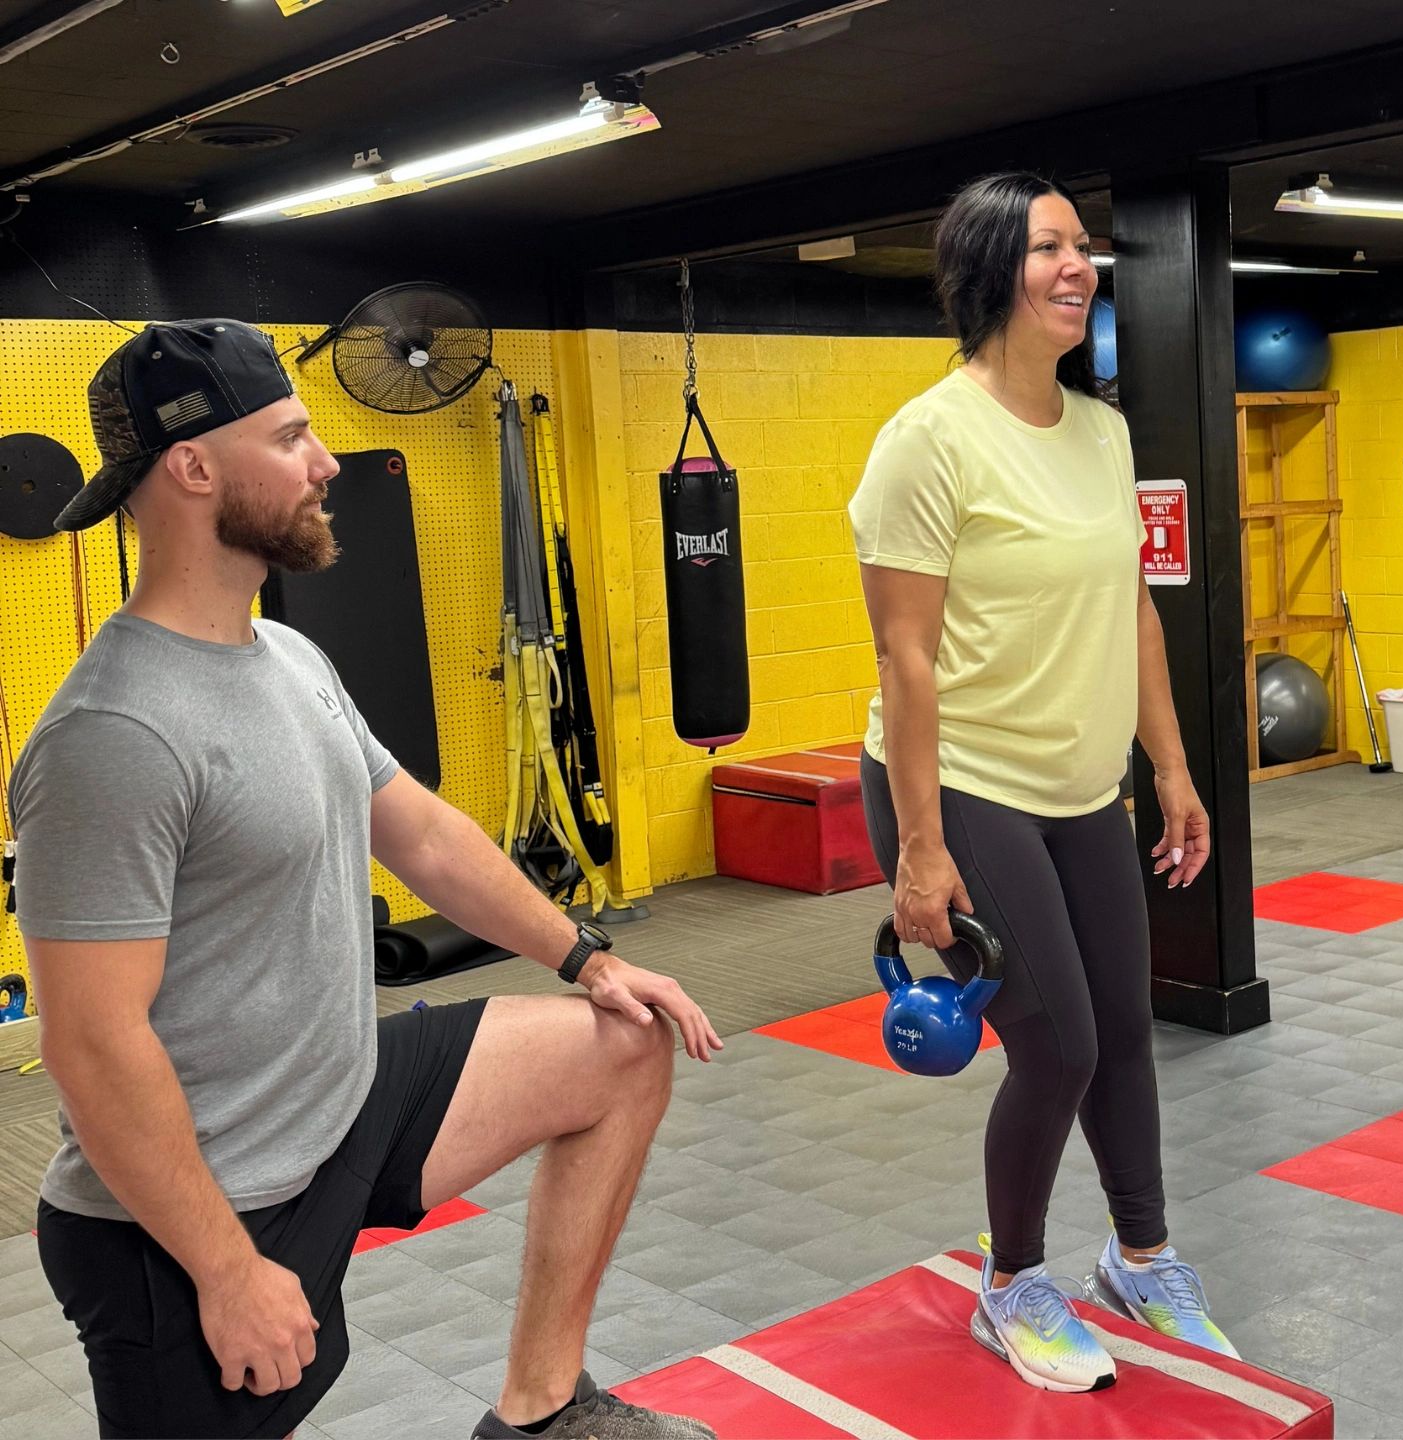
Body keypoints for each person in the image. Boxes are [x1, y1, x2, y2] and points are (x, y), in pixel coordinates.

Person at [9, 319, 724, 1440]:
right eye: (292, 437)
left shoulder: (289, 657)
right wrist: (228, 1269)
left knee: (623, 1047)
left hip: (341, 1103)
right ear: (195, 468)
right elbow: (93, 1044)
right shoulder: (113, 733)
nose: (326, 461)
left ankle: (541, 1414)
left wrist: (589, 959)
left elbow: (426, 837)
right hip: (195, 1211)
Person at [848, 172, 1236, 1394]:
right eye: (1051, 248)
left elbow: (1131, 612)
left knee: (1125, 1029)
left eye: (1086, 247)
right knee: (1058, 1042)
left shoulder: (1104, 429)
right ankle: (1012, 1279)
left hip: (1080, 788)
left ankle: (1143, 1259)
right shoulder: (927, 439)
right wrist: (919, 848)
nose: (1081, 267)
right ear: (988, 271)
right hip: (959, 783)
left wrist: (1171, 768)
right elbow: (905, 656)